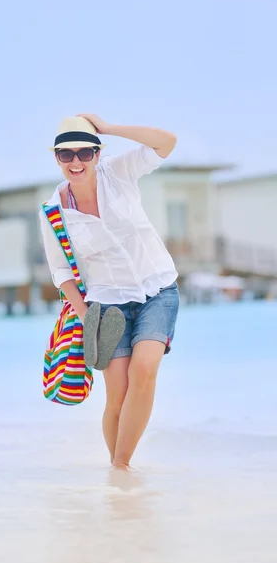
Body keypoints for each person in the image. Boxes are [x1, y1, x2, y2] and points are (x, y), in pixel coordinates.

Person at [39, 114, 179, 470]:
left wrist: (108, 129)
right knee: (116, 394)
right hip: (107, 308)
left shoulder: (118, 173)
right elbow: (61, 272)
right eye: (66, 154)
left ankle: (120, 466)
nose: (76, 162)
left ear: (97, 154)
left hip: (157, 290)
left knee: (144, 370)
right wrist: (89, 319)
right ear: (56, 158)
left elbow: (166, 141)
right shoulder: (54, 211)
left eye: (85, 152)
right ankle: (121, 472)